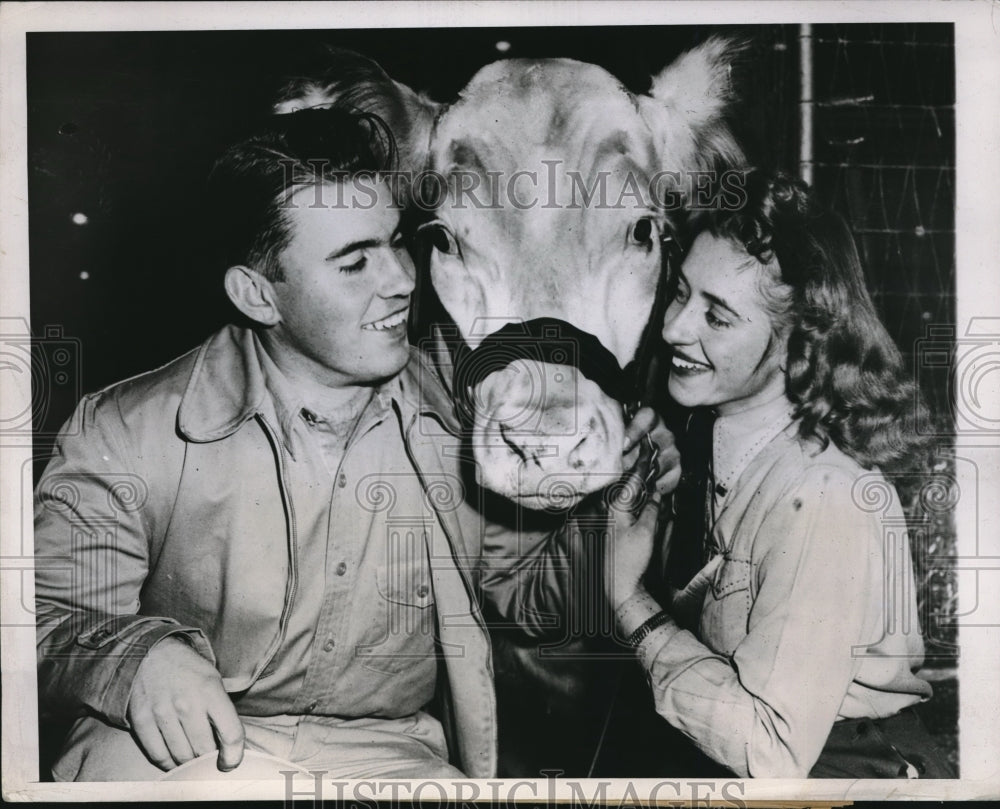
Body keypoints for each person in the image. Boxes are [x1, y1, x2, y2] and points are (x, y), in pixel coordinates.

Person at [34, 107, 676, 781]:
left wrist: (605, 514)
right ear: (258, 296)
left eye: (396, 242)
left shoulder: (462, 414)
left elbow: (530, 601)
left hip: (390, 752)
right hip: (175, 743)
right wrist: (135, 656)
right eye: (354, 261)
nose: (402, 278)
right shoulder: (128, 427)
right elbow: (39, 614)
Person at [604, 171, 952, 778]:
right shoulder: (707, 439)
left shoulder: (823, 498)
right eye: (681, 293)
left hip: (850, 772)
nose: (673, 328)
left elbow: (772, 751)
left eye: (717, 318)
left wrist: (632, 604)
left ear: (799, 347)